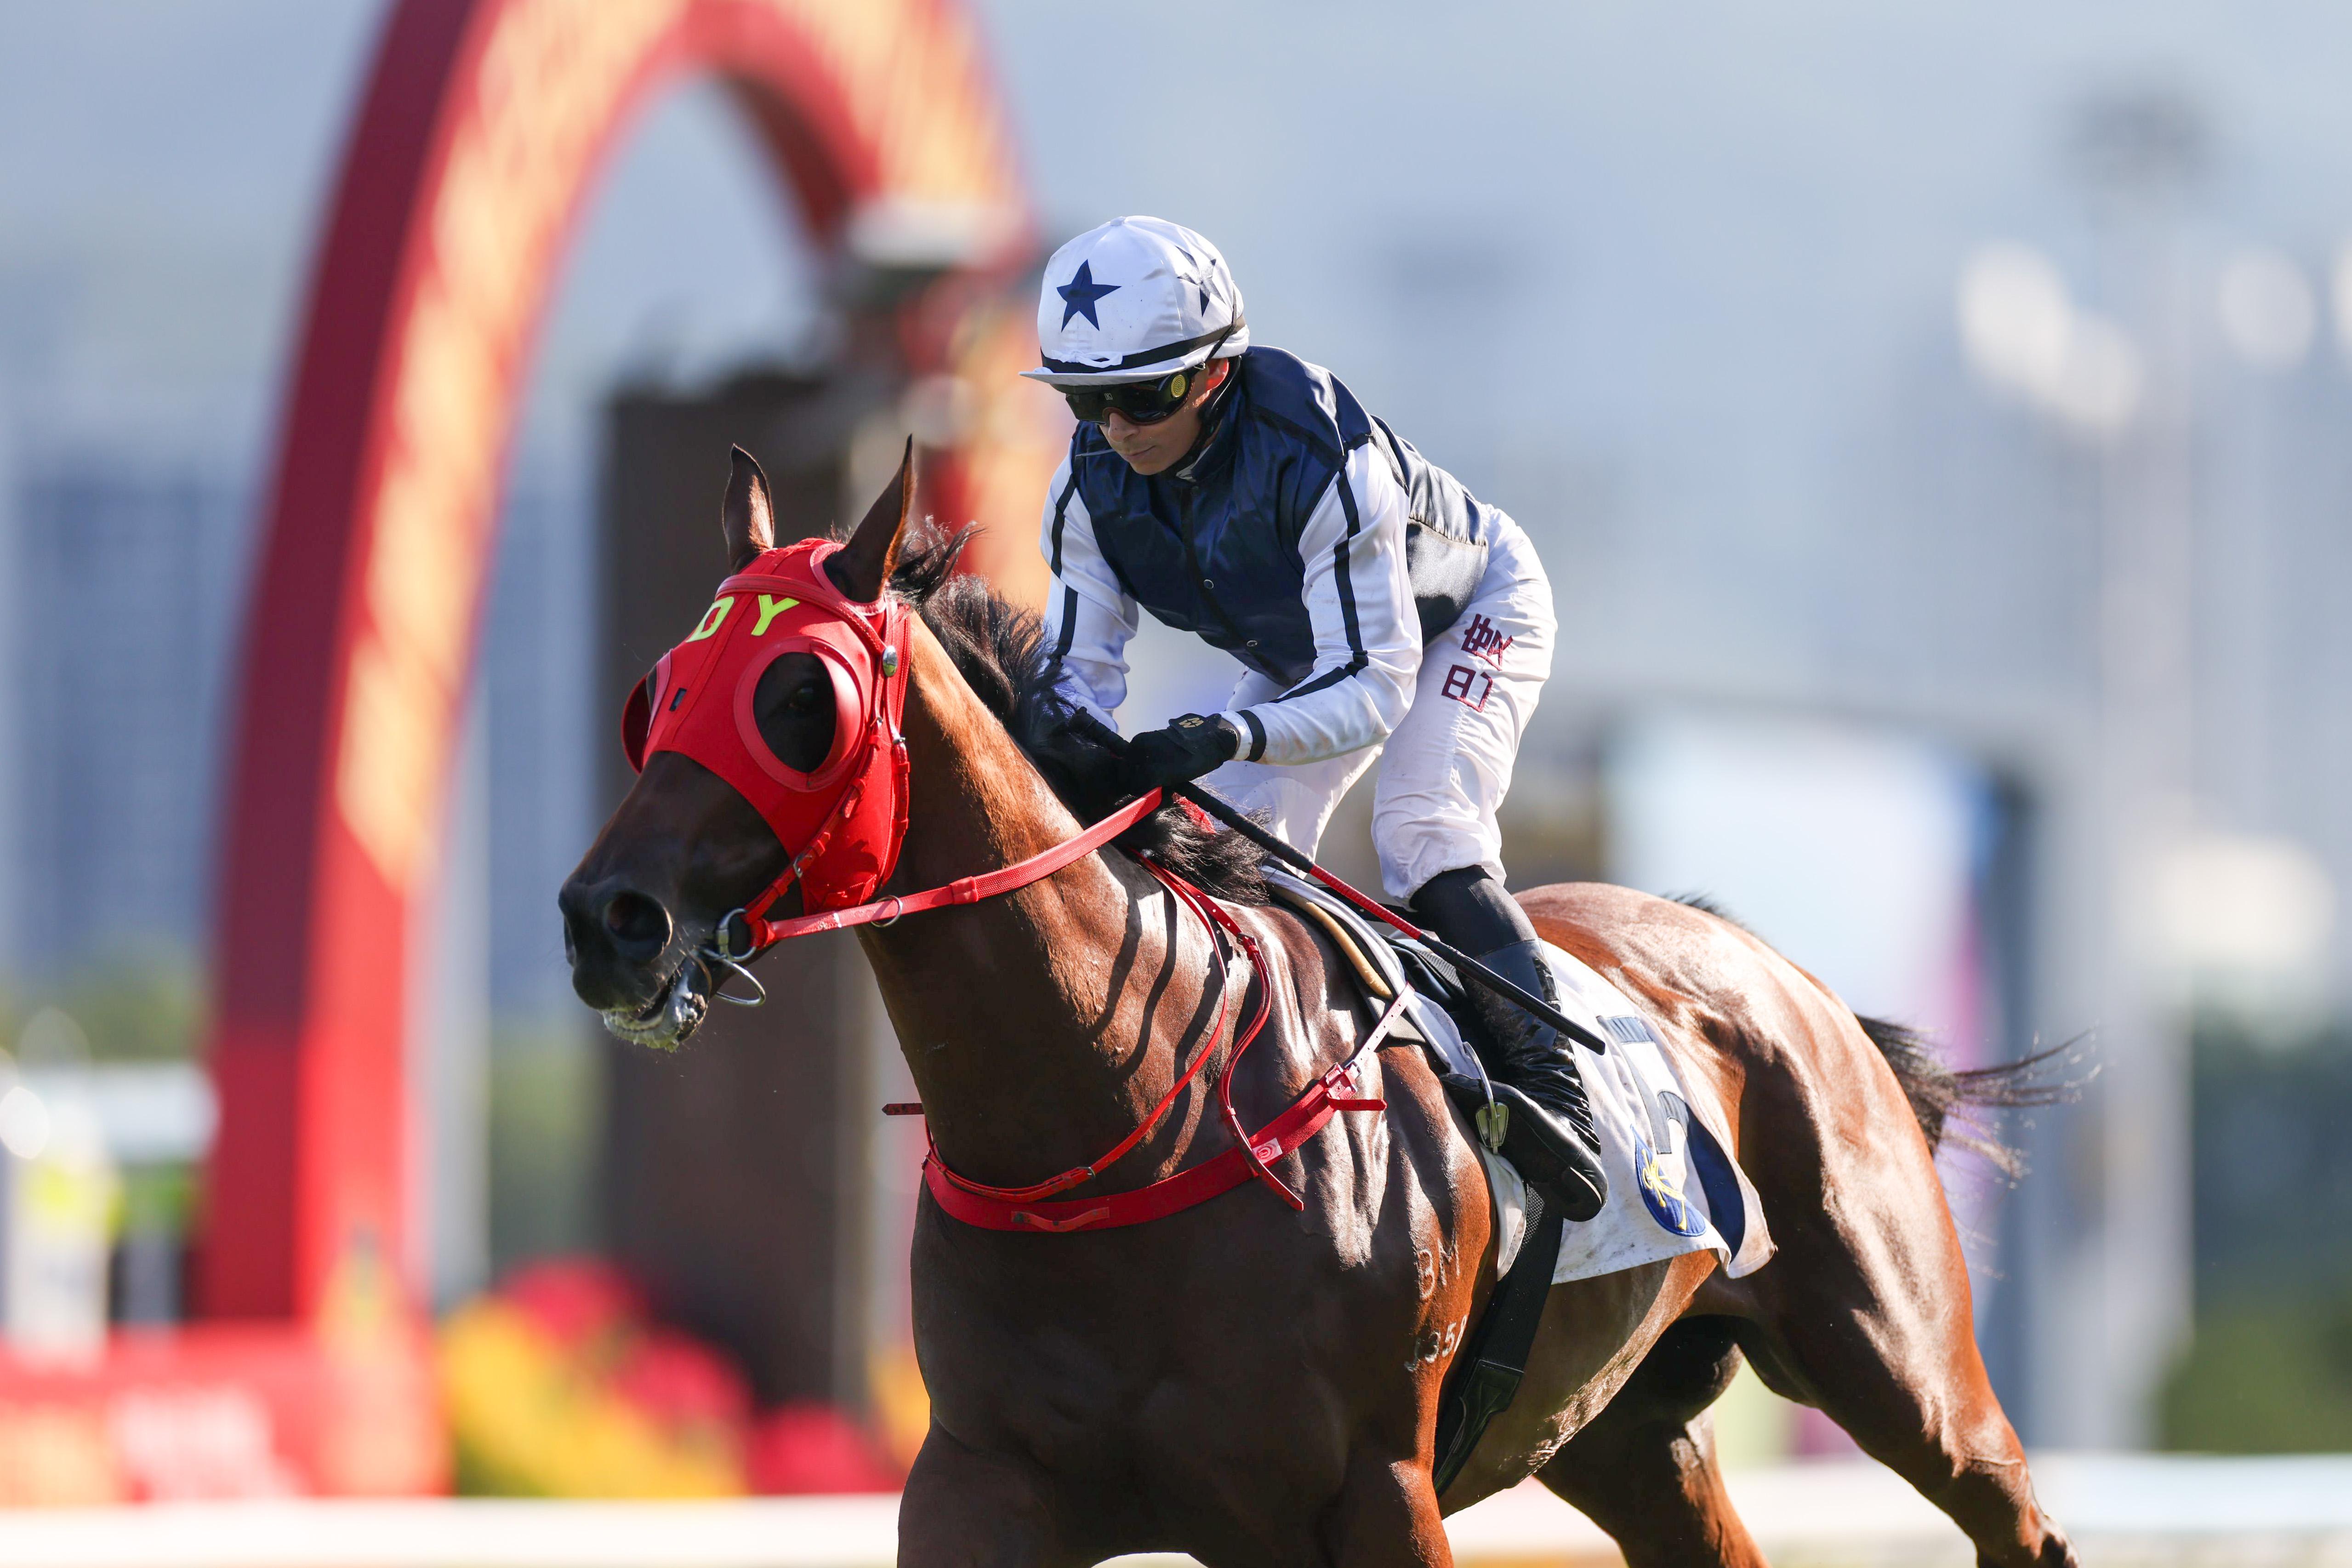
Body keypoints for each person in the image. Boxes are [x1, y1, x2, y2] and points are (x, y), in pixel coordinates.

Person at [1022, 216, 1605, 1221]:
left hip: (1466, 617)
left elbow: (1377, 687)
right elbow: (1073, 683)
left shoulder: (1320, 456)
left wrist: (1228, 734)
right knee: (1219, 853)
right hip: (1308, 654)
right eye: (1086, 398)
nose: (1116, 428)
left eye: (1143, 394)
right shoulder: (1086, 490)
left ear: (1214, 374)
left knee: (1423, 830)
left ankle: (1557, 1094)